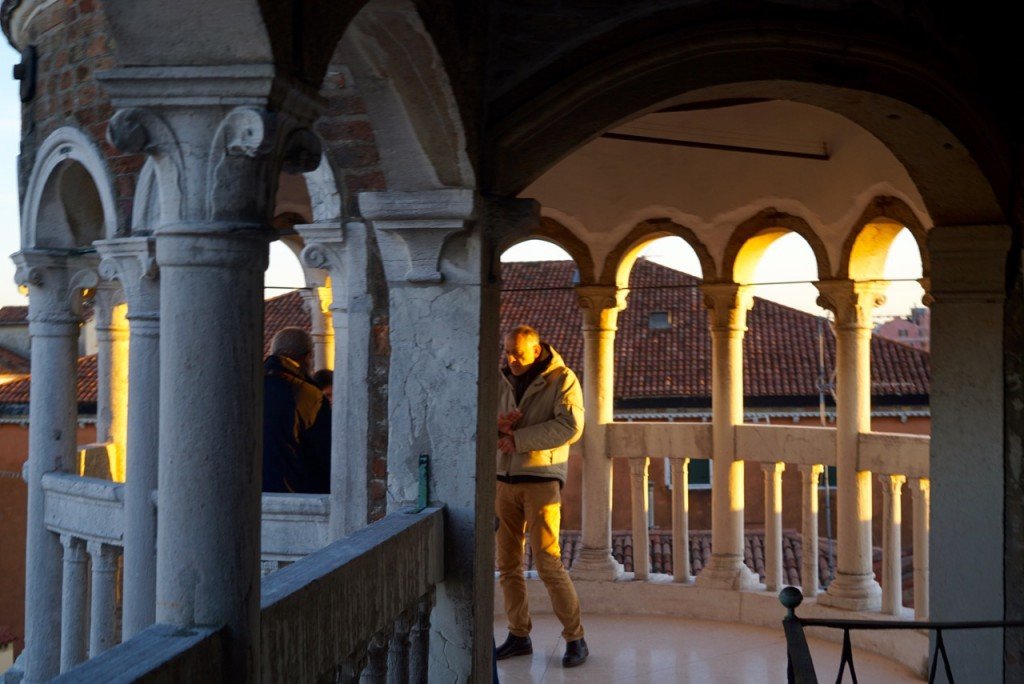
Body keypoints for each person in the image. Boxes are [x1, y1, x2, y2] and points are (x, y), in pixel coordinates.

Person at [494, 325, 588, 668]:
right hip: (503, 480)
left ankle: (576, 638)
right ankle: (519, 635)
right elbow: (484, 422)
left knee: (549, 564)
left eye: (518, 352)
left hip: (541, 480)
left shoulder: (562, 378)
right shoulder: (502, 379)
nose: (512, 359)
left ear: (537, 350)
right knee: (507, 565)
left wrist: (520, 439)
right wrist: (499, 426)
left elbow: (570, 426)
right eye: (508, 352)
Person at [262, 327, 332, 493]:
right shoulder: (309, 395)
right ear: (308, 357)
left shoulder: (245, 387)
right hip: (293, 494)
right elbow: (324, 454)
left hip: (250, 494)